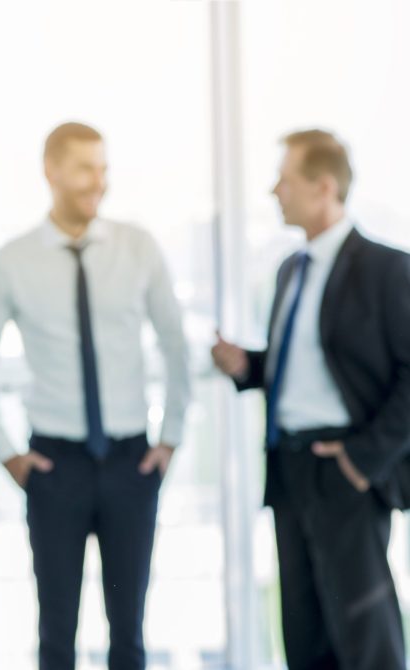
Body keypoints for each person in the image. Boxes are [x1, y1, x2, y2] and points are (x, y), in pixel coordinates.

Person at [0, 122, 191, 670]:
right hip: (54, 466)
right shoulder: (11, 262)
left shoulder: (138, 248)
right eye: (87, 168)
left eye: (104, 168)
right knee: (56, 637)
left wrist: (170, 440)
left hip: (131, 462)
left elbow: (175, 345)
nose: (100, 181)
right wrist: (7, 453)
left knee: (130, 636)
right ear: (53, 171)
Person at [212, 129, 409, 669]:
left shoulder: (386, 268)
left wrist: (361, 460)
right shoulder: (289, 270)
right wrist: (248, 366)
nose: (275, 190)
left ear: (324, 186)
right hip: (290, 466)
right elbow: (296, 368)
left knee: (365, 634)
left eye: (285, 179)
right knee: (302, 629)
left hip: (343, 468)